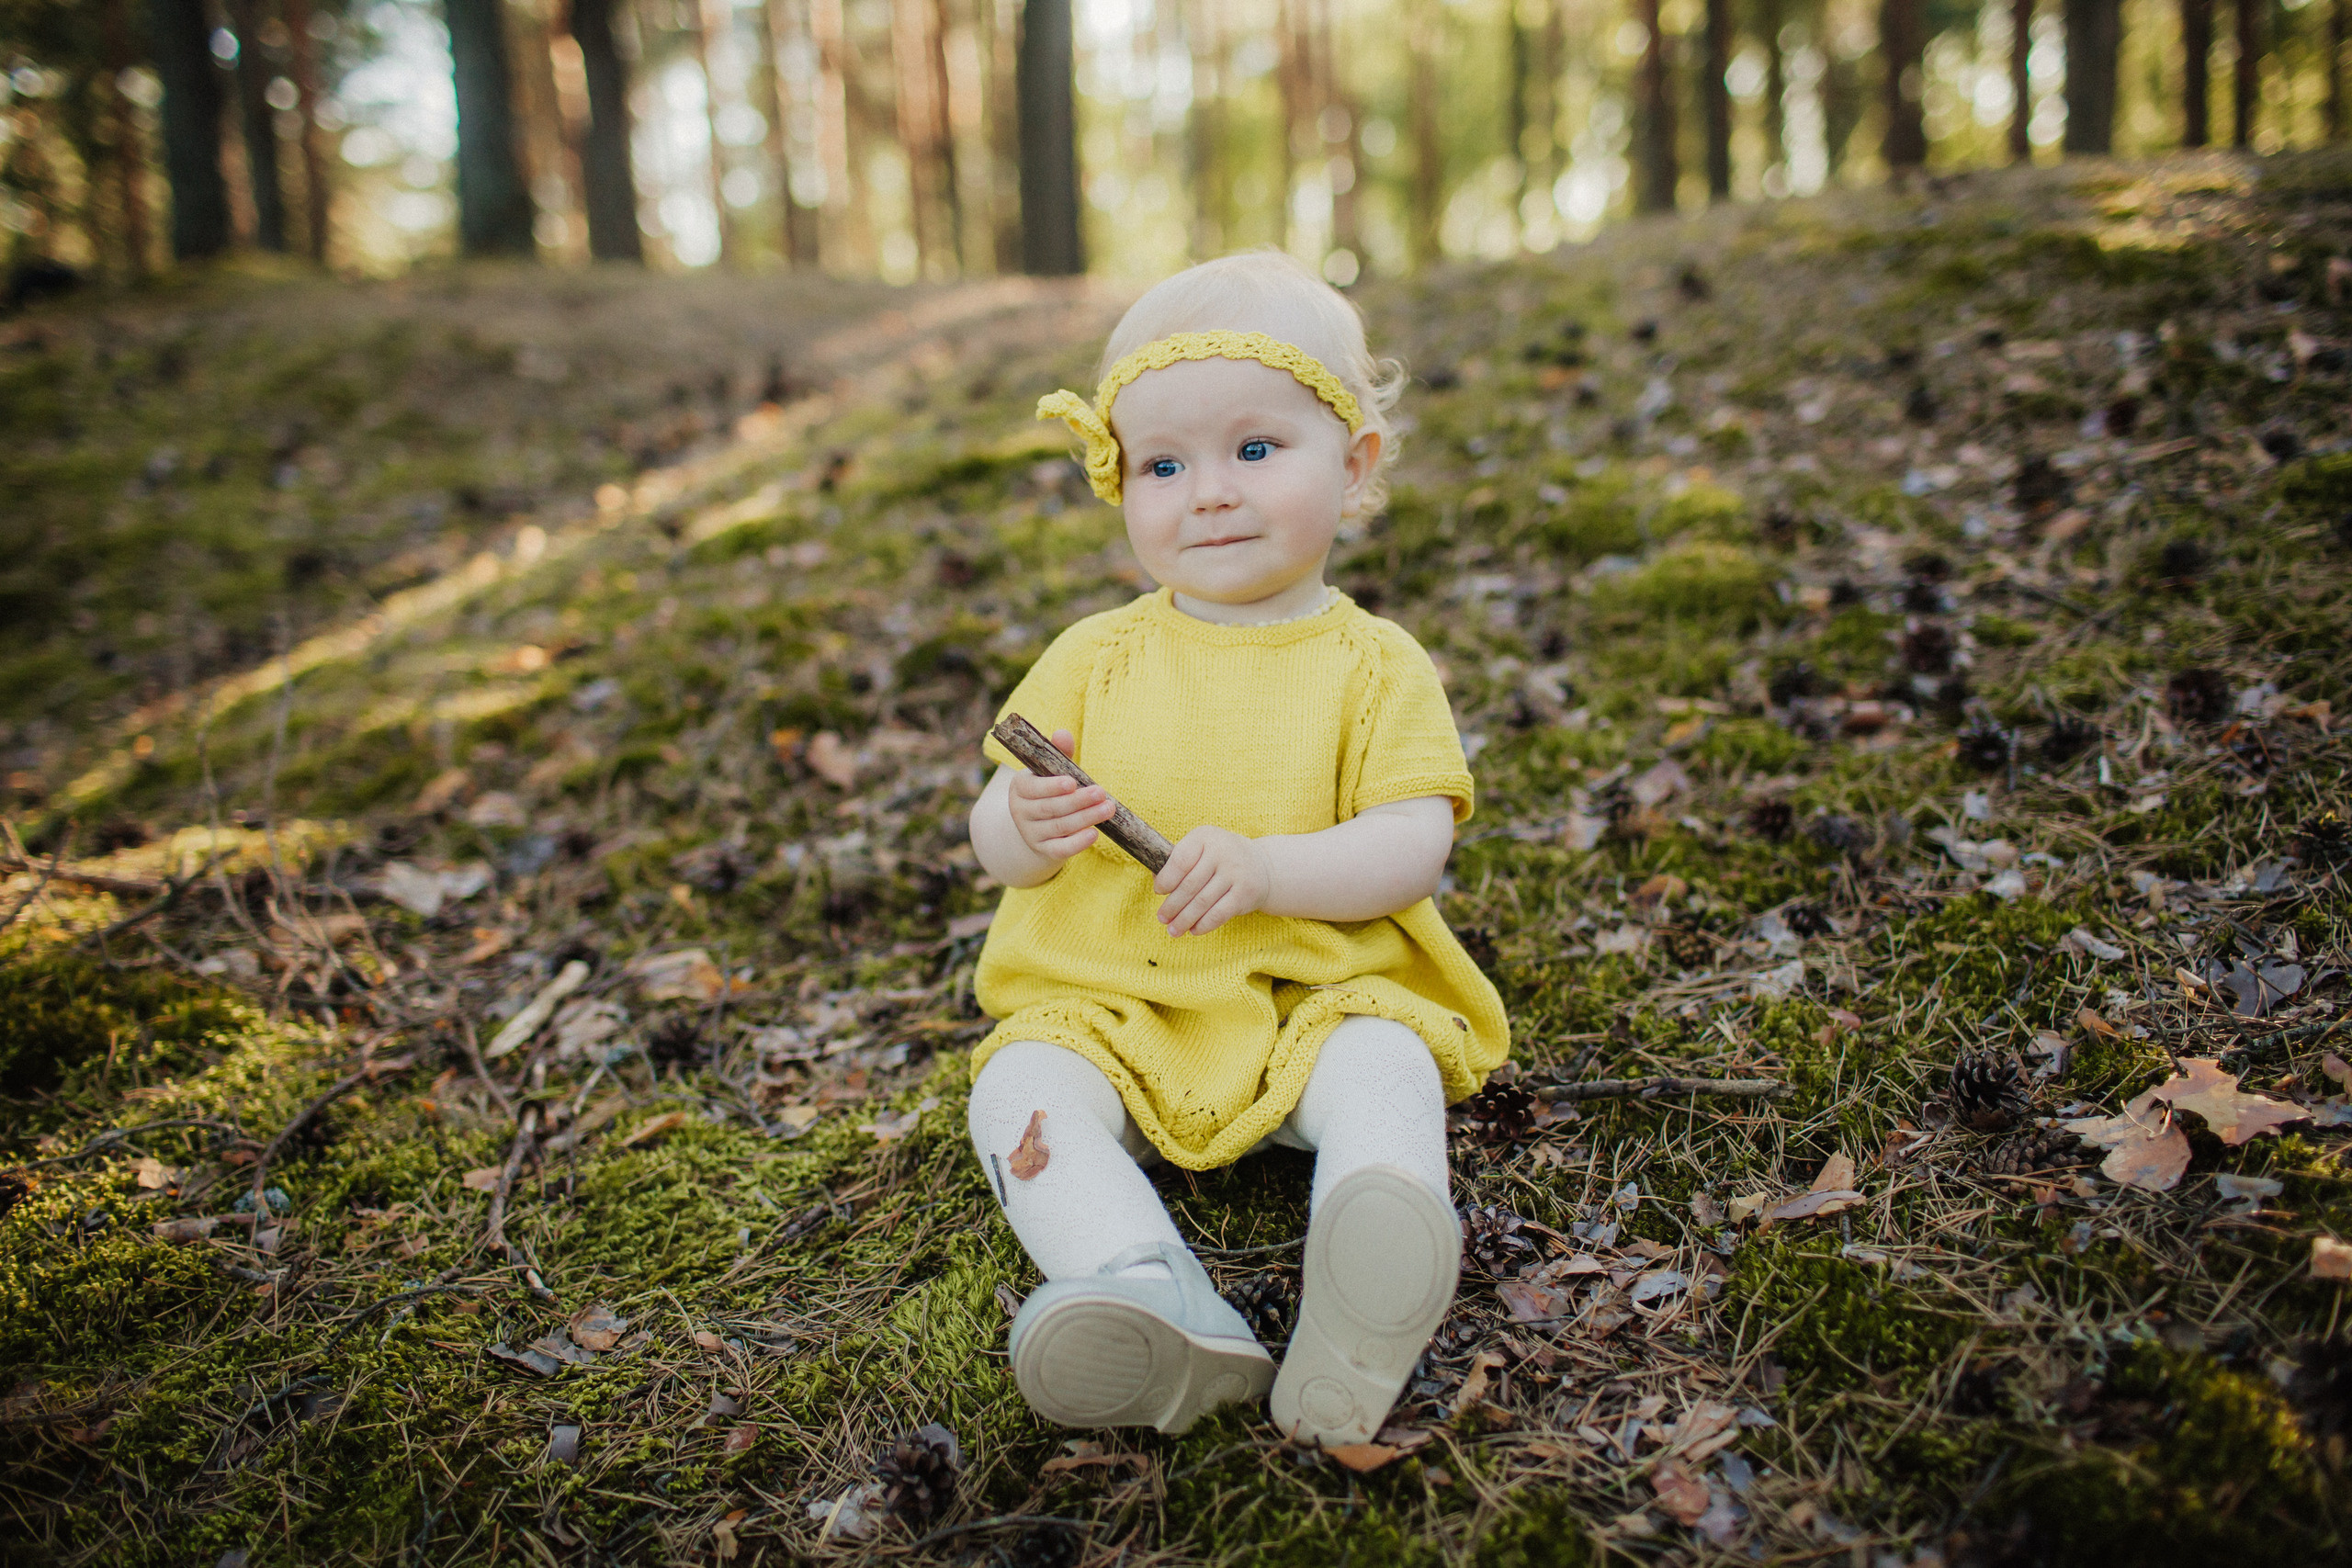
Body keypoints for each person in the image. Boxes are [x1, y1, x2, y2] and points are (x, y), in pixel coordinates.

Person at [963, 251, 1509, 1450]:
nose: (1208, 494)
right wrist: (1025, 830)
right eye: (1163, 465)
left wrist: (1272, 872)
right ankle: (1151, 1292)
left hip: (1315, 984)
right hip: (1112, 1003)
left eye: (1255, 450)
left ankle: (1379, 1236)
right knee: (1016, 1087)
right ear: (1120, 485)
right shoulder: (1095, 656)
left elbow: (1412, 845)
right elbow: (994, 830)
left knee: (1384, 1063)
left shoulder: (1375, 664)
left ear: (1354, 464)